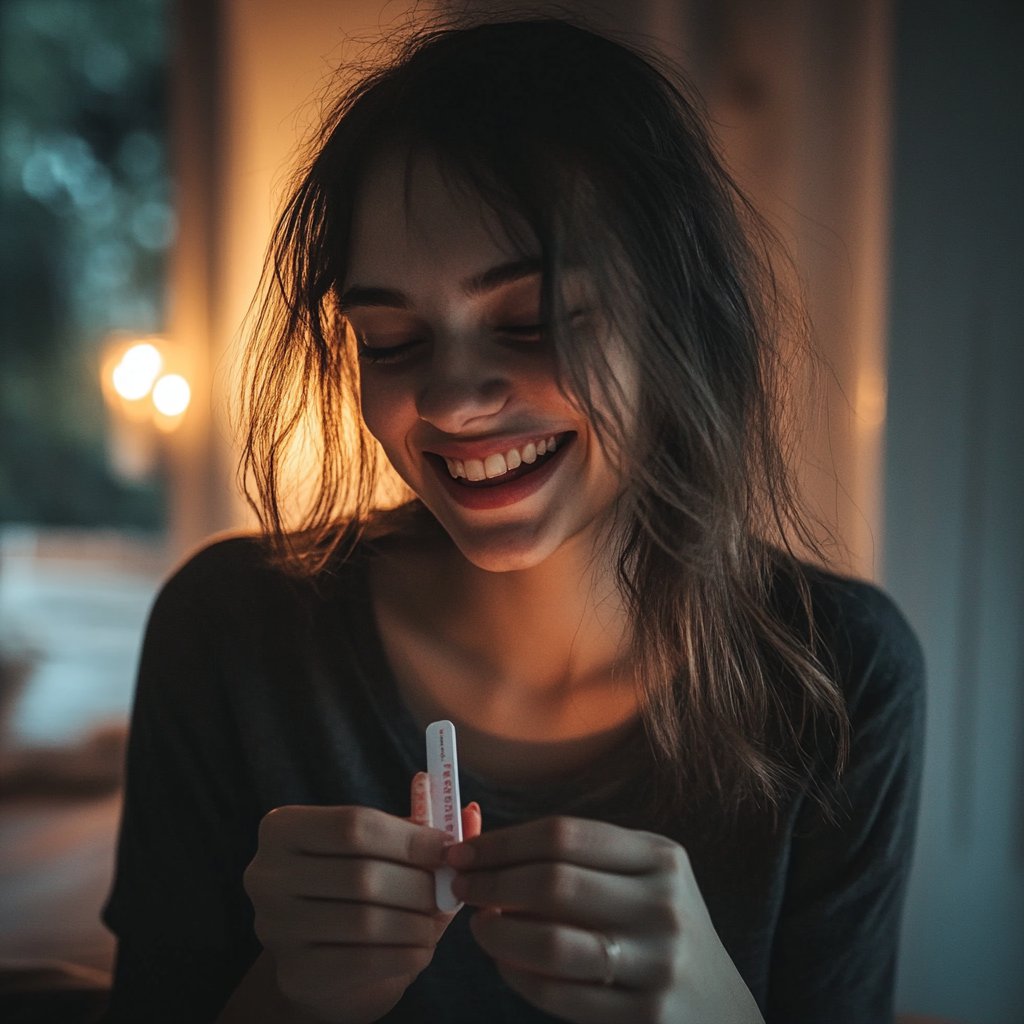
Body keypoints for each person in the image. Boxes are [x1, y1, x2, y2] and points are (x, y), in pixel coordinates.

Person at [100, 16, 925, 1024]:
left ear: (675, 319)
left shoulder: (836, 677)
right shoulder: (230, 632)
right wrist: (287, 995)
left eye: (527, 322)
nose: (448, 401)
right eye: (392, 338)